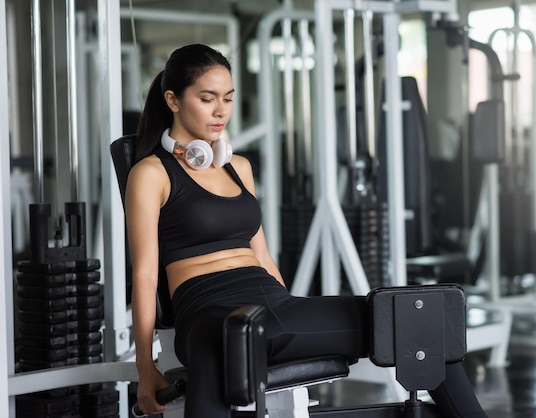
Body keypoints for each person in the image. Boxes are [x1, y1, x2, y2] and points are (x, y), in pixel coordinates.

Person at [126, 43, 487, 418]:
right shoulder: (151, 173)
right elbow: (145, 274)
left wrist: (286, 306)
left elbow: (262, 255)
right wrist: (145, 367)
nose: (221, 112)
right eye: (207, 98)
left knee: (419, 320)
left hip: (272, 307)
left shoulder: (239, 167)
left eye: (228, 99)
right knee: (225, 345)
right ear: (173, 100)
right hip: (208, 312)